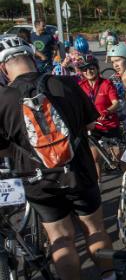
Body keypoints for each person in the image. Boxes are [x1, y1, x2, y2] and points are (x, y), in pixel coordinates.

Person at [0, 37, 115, 280]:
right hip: (78, 173)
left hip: (37, 181)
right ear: (32, 57)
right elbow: (91, 123)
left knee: (60, 239)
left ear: (2, 68)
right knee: (95, 230)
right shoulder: (67, 84)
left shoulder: (3, 99)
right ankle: (108, 275)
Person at [77, 56, 120, 180]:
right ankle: (98, 183)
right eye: (85, 69)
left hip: (109, 125)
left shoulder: (106, 83)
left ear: (97, 68)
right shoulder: (81, 86)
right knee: (95, 158)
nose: (88, 71)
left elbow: (115, 103)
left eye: (91, 68)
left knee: (117, 157)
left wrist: (106, 111)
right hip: (92, 127)